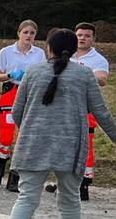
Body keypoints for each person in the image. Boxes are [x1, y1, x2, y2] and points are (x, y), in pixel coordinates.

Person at [0, 28, 116, 219]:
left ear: (49, 49)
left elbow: (17, 110)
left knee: (26, 198)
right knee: (69, 201)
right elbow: (101, 112)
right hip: (70, 146)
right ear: (75, 50)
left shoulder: (33, 72)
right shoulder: (84, 75)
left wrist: (30, 132)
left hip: (34, 144)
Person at [47, 21, 111, 200]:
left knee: (85, 144)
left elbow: (102, 79)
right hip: (63, 106)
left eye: (87, 36)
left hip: (84, 106)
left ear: (94, 39)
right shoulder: (66, 54)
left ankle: (84, 182)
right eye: (79, 35)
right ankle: (62, 181)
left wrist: (82, 74)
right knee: (62, 143)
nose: (82, 39)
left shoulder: (97, 60)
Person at [0, 19, 48, 190]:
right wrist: (10, 74)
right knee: (6, 135)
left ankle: (14, 180)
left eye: (32, 33)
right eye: (26, 32)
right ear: (19, 33)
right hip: (10, 92)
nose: (28, 36)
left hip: (30, 94)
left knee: (23, 136)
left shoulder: (39, 54)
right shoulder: (6, 52)